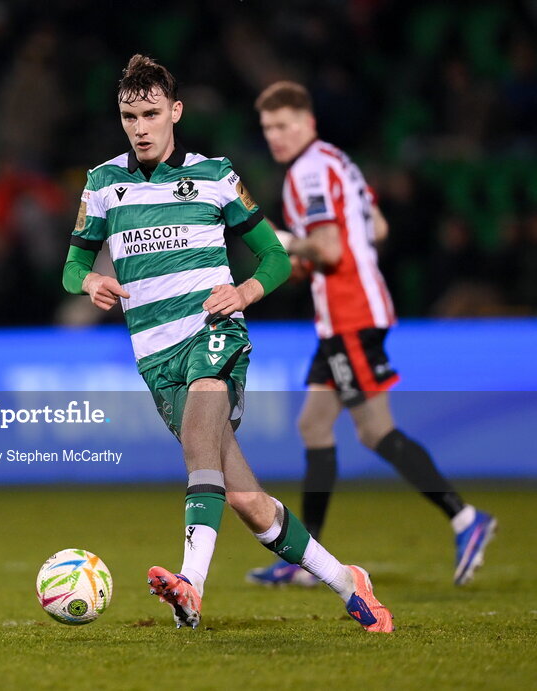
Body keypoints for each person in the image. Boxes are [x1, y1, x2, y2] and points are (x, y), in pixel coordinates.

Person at [62, 55, 393, 633]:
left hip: (214, 335)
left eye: (150, 114)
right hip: (155, 355)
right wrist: (92, 280)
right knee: (246, 501)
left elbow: (276, 258)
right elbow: (72, 267)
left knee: (198, 446)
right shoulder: (102, 183)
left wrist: (242, 293)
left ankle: (191, 585)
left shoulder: (216, 175)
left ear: (175, 112)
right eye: (128, 116)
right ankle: (347, 581)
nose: (139, 127)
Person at [249, 81, 496, 587]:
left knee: (375, 430)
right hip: (342, 316)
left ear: (308, 123)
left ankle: (465, 518)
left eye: (284, 125)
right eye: (268, 128)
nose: (275, 136)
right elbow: (376, 227)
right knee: (314, 427)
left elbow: (331, 248)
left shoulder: (307, 172)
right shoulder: (339, 162)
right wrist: (313, 254)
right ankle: (305, 560)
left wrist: (285, 243)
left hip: (350, 316)